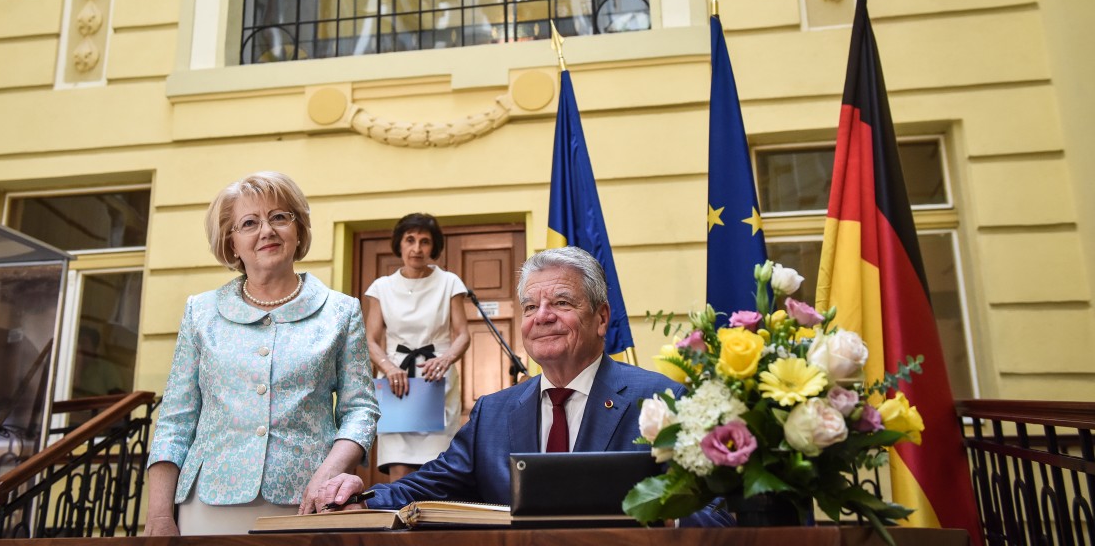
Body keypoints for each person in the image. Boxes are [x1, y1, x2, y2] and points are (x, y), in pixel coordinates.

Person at [315, 247, 733, 526]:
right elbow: (426, 486)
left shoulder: (659, 400)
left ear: (602, 318)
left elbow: (717, 510)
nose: (542, 316)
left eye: (562, 303)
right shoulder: (493, 413)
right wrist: (363, 495)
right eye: (531, 306)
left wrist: (655, 520)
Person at [143, 171, 379, 535]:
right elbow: (175, 420)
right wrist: (159, 516)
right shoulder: (200, 312)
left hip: (307, 502)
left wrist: (328, 474)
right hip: (208, 502)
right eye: (249, 223)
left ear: (298, 230)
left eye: (280, 217)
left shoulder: (341, 312)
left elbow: (360, 410)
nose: (266, 230)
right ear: (232, 243)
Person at [365, 213, 470, 480]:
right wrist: (388, 367)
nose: (417, 248)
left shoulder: (449, 282)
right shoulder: (382, 287)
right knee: (398, 468)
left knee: (436, 469)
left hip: (436, 381)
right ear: (399, 244)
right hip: (396, 383)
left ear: (433, 247)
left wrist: (445, 359)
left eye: (424, 241)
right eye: (410, 240)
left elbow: (463, 335)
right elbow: (370, 339)